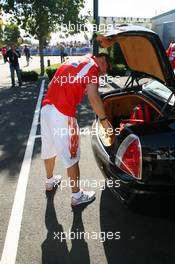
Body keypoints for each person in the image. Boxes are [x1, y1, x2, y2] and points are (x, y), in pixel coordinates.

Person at [40, 53, 113, 206]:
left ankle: (49, 181)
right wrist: (104, 121)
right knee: (72, 155)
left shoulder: (73, 59)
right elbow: (93, 98)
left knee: (48, 148)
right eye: (105, 69)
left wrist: (77, 89)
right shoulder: (93, 68)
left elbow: (51, 85)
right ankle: (77, 195)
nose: (103, 73)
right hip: (63, 113)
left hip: (46, 108)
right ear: (102, 61)